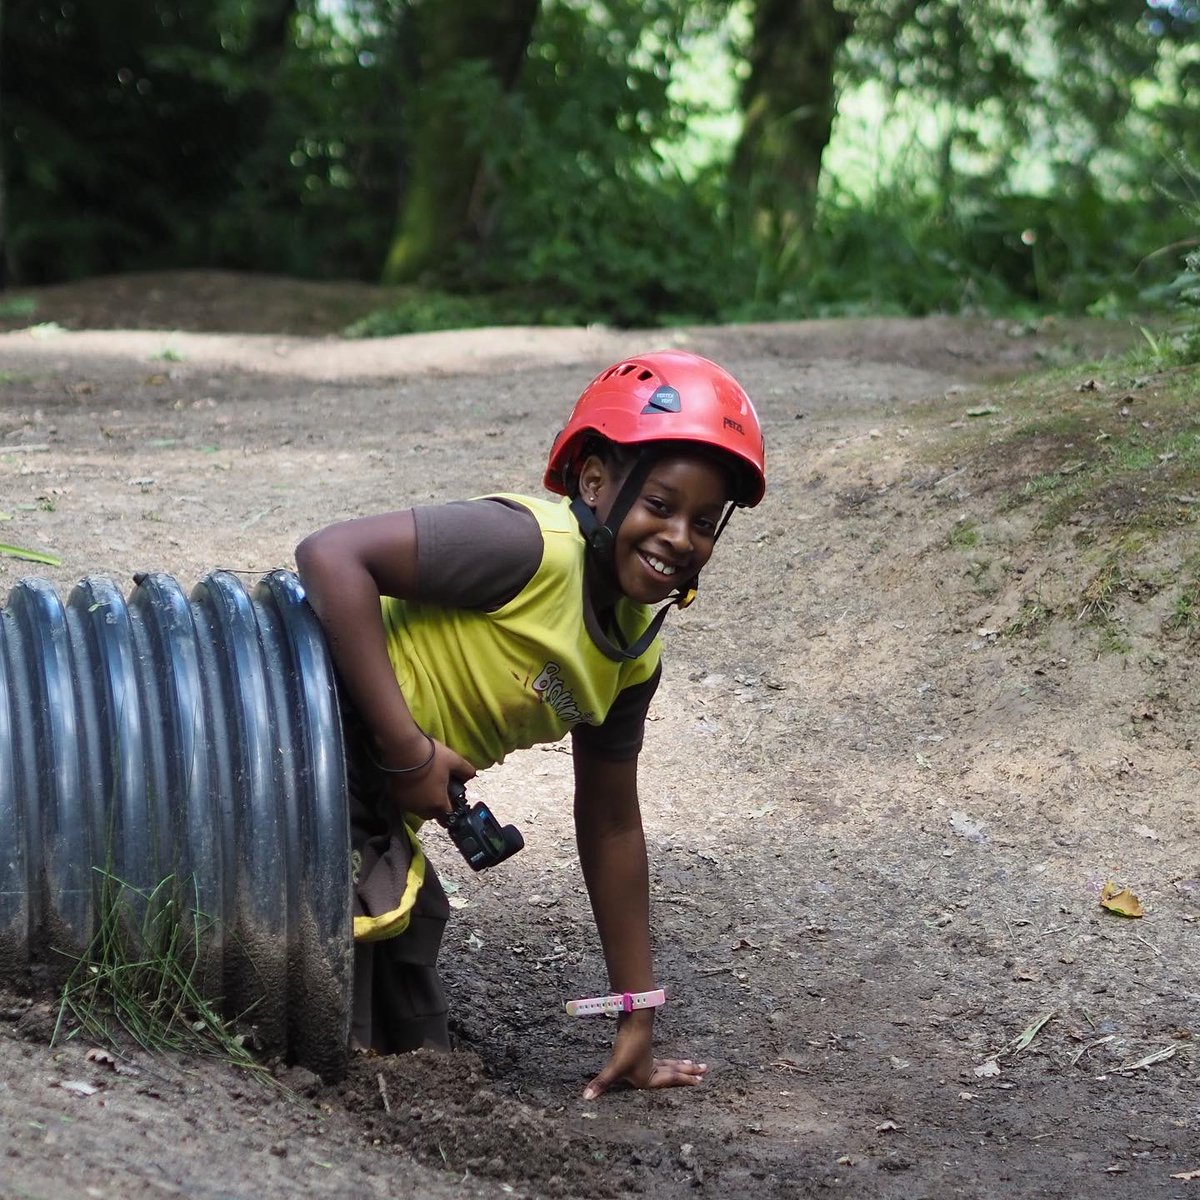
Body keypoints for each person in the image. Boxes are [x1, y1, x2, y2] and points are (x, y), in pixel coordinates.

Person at [295, 348, 766, 1100]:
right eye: (662, 505)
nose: (681, 536)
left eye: (704, 522)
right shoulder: (531, 548)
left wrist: (636, 1011)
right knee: (343, 993)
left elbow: (612, 823)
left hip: (378, 797)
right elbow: (330, 556)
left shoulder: (630, 660)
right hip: (306, 735)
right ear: (594, 482)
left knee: (411, 1002)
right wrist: (408, 750)